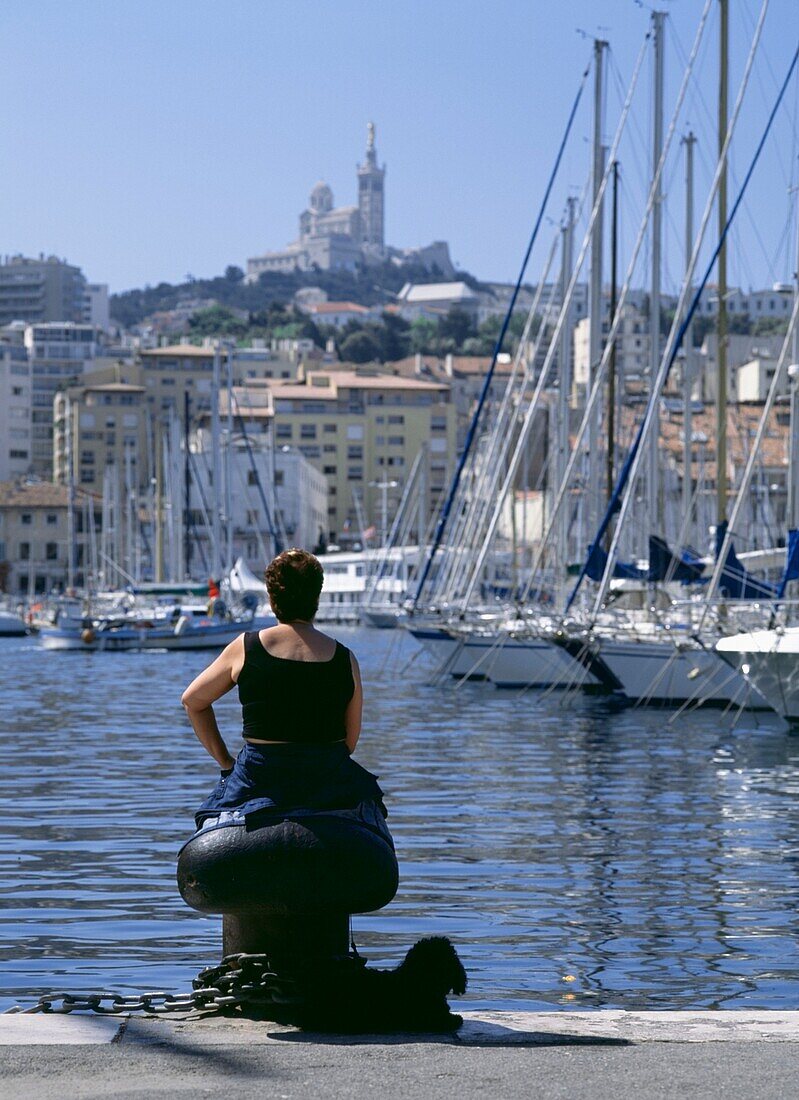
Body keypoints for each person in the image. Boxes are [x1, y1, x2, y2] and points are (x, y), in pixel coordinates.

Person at [181, 548, 389, 837]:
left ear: (271, 598)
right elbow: (349, 742)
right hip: (327, 780)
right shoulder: (345, 659)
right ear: (316, 597)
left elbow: (193, 701)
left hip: (258, 778)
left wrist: (227, 763)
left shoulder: (246, 648)